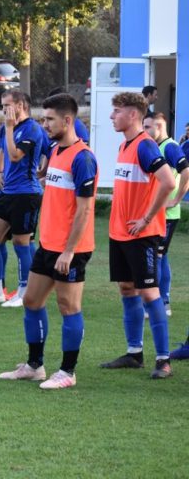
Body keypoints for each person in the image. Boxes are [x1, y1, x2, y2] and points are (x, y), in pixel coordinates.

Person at [0, 94, 98, 389]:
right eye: (43, 118)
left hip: (72, 249)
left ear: (67, 121)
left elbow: (85, 209)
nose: (44, 124)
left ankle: (68, 372)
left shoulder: (84, 158)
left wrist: (69, 251)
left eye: (49, 119)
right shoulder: (55, 150)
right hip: (48, 243)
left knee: (68, 306)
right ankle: (34, 366)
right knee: (31, 300)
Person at [100, 92, 176, 379]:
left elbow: (168, 182)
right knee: (127, 289)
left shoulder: (145, 146)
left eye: (117, 111)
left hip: (141, 234)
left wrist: (146, 218)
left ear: (134, 115)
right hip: (120, 233)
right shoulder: (125, 146)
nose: (111, 116)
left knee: (149, 292)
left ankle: (163, 360)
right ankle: (134, 354)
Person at [0, 90, 47, 307]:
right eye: (2, 105)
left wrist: (8, 127)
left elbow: (15, 155)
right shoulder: (6, 128)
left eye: (7, 105)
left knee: (21, 243)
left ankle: (25, 292)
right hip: (6, 193)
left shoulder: (32, 129)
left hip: (26, 194)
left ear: (21, 105)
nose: (4, 109)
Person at [142, 112, 189, 316]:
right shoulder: (154, 147)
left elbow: (186, 172)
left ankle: (158, 304)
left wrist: (177, 199)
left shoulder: (169, 147)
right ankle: (164, 302)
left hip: (167, 215)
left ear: (159, 127)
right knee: (162, 257)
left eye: (147, 127)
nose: (144, 131)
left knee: (157, 257)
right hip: (159, 213)